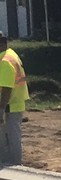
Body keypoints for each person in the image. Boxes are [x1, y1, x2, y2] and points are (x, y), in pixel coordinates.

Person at [0, 30, 28, 168]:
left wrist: (0, 109)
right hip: (15, 103)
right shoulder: (12, 55)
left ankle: (13, 168)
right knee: (12, 137)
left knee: (9, 138)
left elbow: (6, 88)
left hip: (9, 106)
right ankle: (12, 165)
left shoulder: (4, 61)